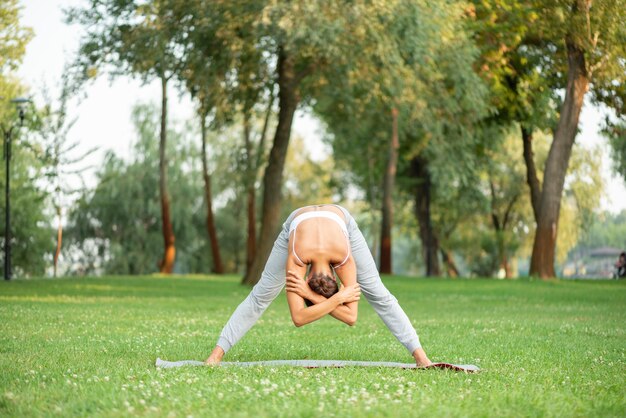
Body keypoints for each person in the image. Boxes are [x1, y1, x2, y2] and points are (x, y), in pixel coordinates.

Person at [205, 204, 432, 367]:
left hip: (341, 221)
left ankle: (421, 356)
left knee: (378, 292)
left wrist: (311, 295)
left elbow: (351, 317)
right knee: (261, 294)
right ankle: (215, 354)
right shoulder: (298, 258)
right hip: (298, 222)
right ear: (334, 277)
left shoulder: (342, 257)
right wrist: (334, 299)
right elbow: (299, 318)